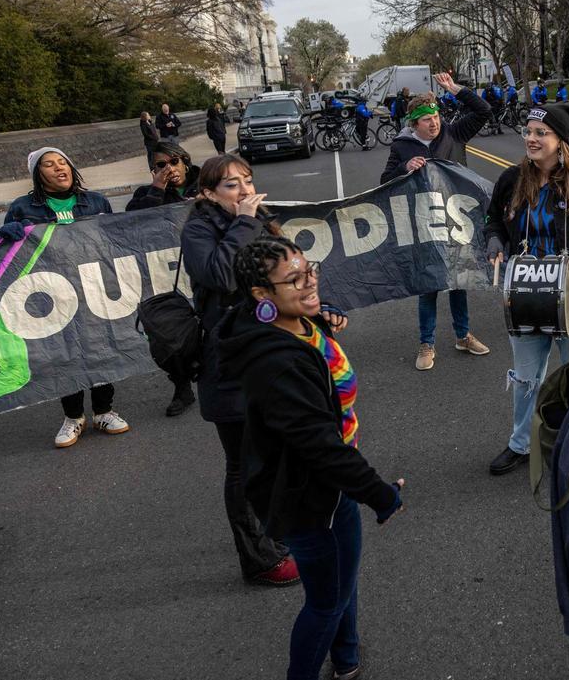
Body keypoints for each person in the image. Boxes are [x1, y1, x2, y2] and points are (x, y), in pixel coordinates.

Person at [219, 235, 404, 680]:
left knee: (342, 585)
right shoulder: (276, 362)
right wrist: (379, 494)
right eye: (293, 280)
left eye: (310, 270)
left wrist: (317, 313)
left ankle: (347, 661)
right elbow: (318, 445)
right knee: (325, 602)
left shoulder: (298, 323)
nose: (308, 283)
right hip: (309, 495)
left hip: (329, 486)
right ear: (262, 295)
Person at [181, 154, 299, 587]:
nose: (245, 190)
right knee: (244, 464)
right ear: (208, 193)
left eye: (247, 180)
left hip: (269, 355)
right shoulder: (200, 228)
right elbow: (221, 276)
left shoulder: (257, 220)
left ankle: (275, 532)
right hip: (229, 364)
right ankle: (258, 559)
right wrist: (246, 223)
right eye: (232, 185)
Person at [483, 103, 569, 476]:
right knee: (526, 378)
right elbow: (493, 220)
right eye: (528, 132)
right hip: (524, 293)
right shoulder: (511, 179)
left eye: (541, 133)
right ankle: (521, 443)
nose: (531, 139)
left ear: (560, 140)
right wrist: (494, 240)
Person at [0, 148, 127, 448]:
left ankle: (103, 411)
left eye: (63, 162)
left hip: (93, 289)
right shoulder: (21, 208)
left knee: (100, 348)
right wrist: (5, 237)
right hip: (51, 295)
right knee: (64, 352)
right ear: (37, 174)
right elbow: (9, 258)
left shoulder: (96, 202)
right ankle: (73, 417)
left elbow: (116, 241)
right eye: (49, 164)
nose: (59, 168)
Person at [379, 74, 492, 370]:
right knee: (428, 283)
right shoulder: (402, 146)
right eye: (427, 119)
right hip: (423, 223)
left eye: (436, 116)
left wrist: (457, 90)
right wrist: (405, 168)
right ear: (414, 124)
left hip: (455, 220)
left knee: (458, 279)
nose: (435, 123)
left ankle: (462, 335)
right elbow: (384, 182)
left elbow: (484, 112)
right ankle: (426, 343)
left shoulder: (454, 134)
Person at [126, 142, 200, 416]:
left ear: (186, 162)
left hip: (203, 268)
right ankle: (182, 386)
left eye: (175, 161)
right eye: (160, 165)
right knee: (166, 336)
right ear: (152, 170)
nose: (169, 168)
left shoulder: (208, 182)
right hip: (165, 274)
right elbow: (133, 223)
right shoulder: (145, 194)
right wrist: (158, 188)